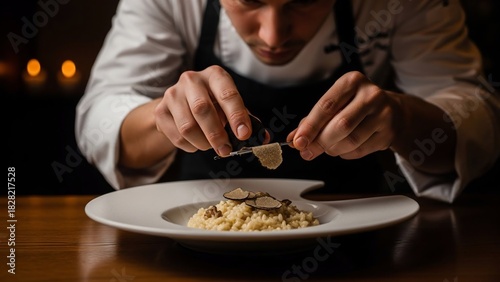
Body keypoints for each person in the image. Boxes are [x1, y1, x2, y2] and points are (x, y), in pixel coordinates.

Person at [75, 0, 500, 203]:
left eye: (304, 2)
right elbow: (99, 117)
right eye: (249, 2)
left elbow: (477, 112)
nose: (274, 37)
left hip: (365, 242)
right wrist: (164, 118)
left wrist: (404, 119)